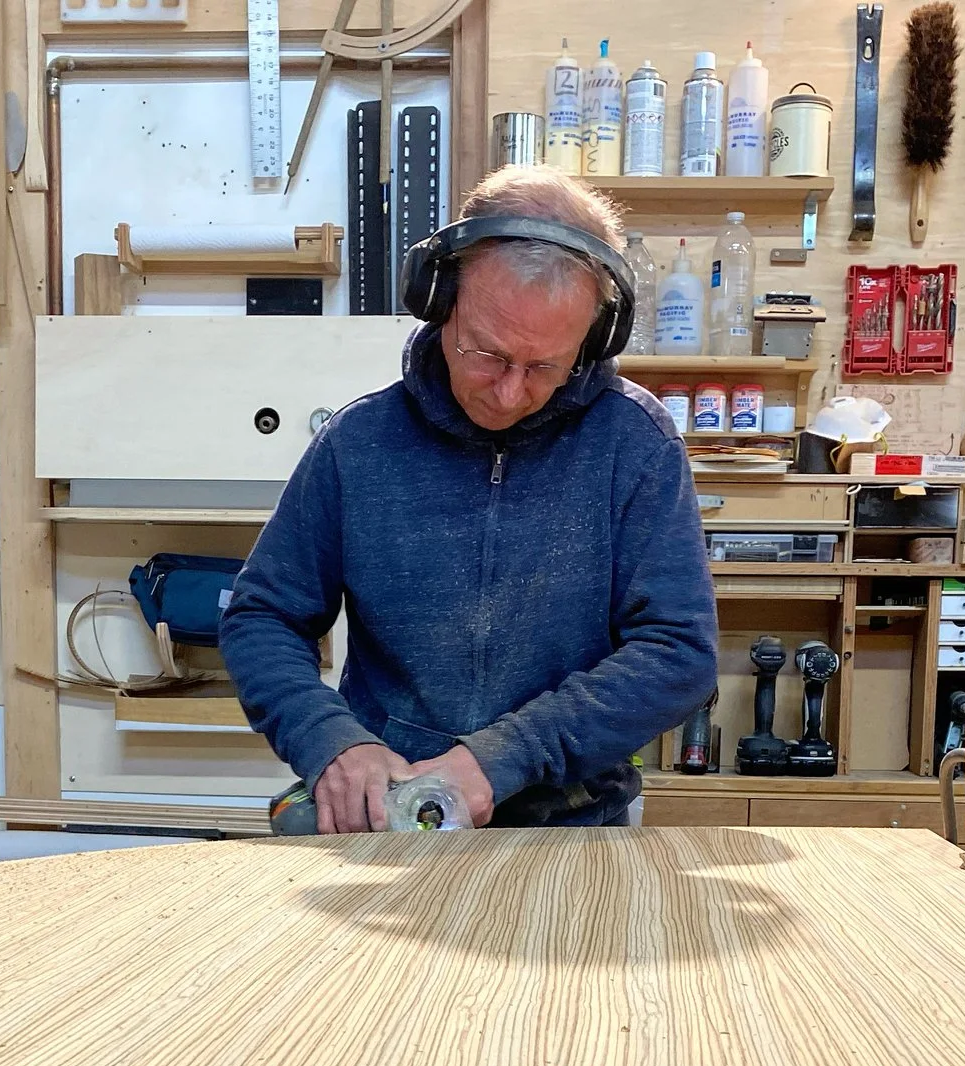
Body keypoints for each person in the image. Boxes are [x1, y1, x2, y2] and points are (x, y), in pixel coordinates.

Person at [218, 167, 719, 832]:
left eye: (545, 366)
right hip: (390, 816)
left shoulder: (636, 445)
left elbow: (680, 653)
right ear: (441, 299)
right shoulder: (358, 444)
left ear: (592, 340)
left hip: (573, 820)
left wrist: (501, 758)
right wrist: (332, 741)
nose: (509, 392)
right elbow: (262, 618)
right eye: (487, 352)